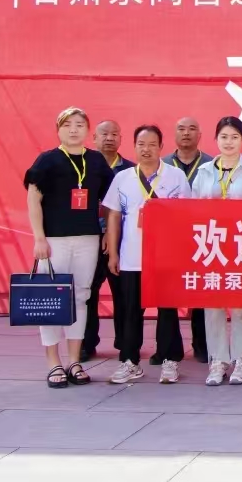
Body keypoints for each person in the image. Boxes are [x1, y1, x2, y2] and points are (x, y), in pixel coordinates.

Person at [24, 107, 115, 388]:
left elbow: (110, 200)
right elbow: (33, 199)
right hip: (55, 241)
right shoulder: (48, 160)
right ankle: (54, 362)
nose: (74, 130)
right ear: (58, 129)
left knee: (81, 296)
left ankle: (75, 360)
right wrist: (39, 238)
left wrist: (106, 233)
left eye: (79, 125)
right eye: (67, 125)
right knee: (51, 298)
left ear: (87, 130)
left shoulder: (96, 160)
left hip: (87, 238)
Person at [103, 125, 192, 384]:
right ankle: (130, 361)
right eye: (141, 144)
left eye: (152, 144)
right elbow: (113, 216)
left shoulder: (175, 176)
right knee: (130, 310)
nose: (146, 149)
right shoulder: (123, 178)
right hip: (132, 255)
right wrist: (113, 253)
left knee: (167, 309)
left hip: (165, 256)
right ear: (134, 146)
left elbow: (187, 216)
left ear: (161, 147)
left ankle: (170, 360)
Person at [193, 117, 242, 386]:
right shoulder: (204, 171)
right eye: (224, 137)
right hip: (211, 245)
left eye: (234, 137)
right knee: (212, 305)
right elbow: (192, 210)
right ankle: (218, 360)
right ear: (216, 139)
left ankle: (241, 359)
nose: (229, 142)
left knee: (240, 305)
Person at [163, 117, 213, 365]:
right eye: (181, 129)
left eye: (192, 129)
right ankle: (170, 348)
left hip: (202, 237)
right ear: (174, 134)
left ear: (200, 135)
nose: (186, 133)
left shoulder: (211, 165)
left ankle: (202, 346)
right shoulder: (162, 165)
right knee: (167, 293)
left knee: (202, 292)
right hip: (169, 238)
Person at [82, 119, 131, 362]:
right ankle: (86, 343)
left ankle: (126, 343)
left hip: (121, 242)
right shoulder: (83, 166)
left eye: (114, 134)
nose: (109, 138)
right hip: (89, 239)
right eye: (104, 134)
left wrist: (112, 235)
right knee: (87, 293)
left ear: (121, 139)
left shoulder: (131, 170)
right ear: (94, 138)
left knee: (124, 294)